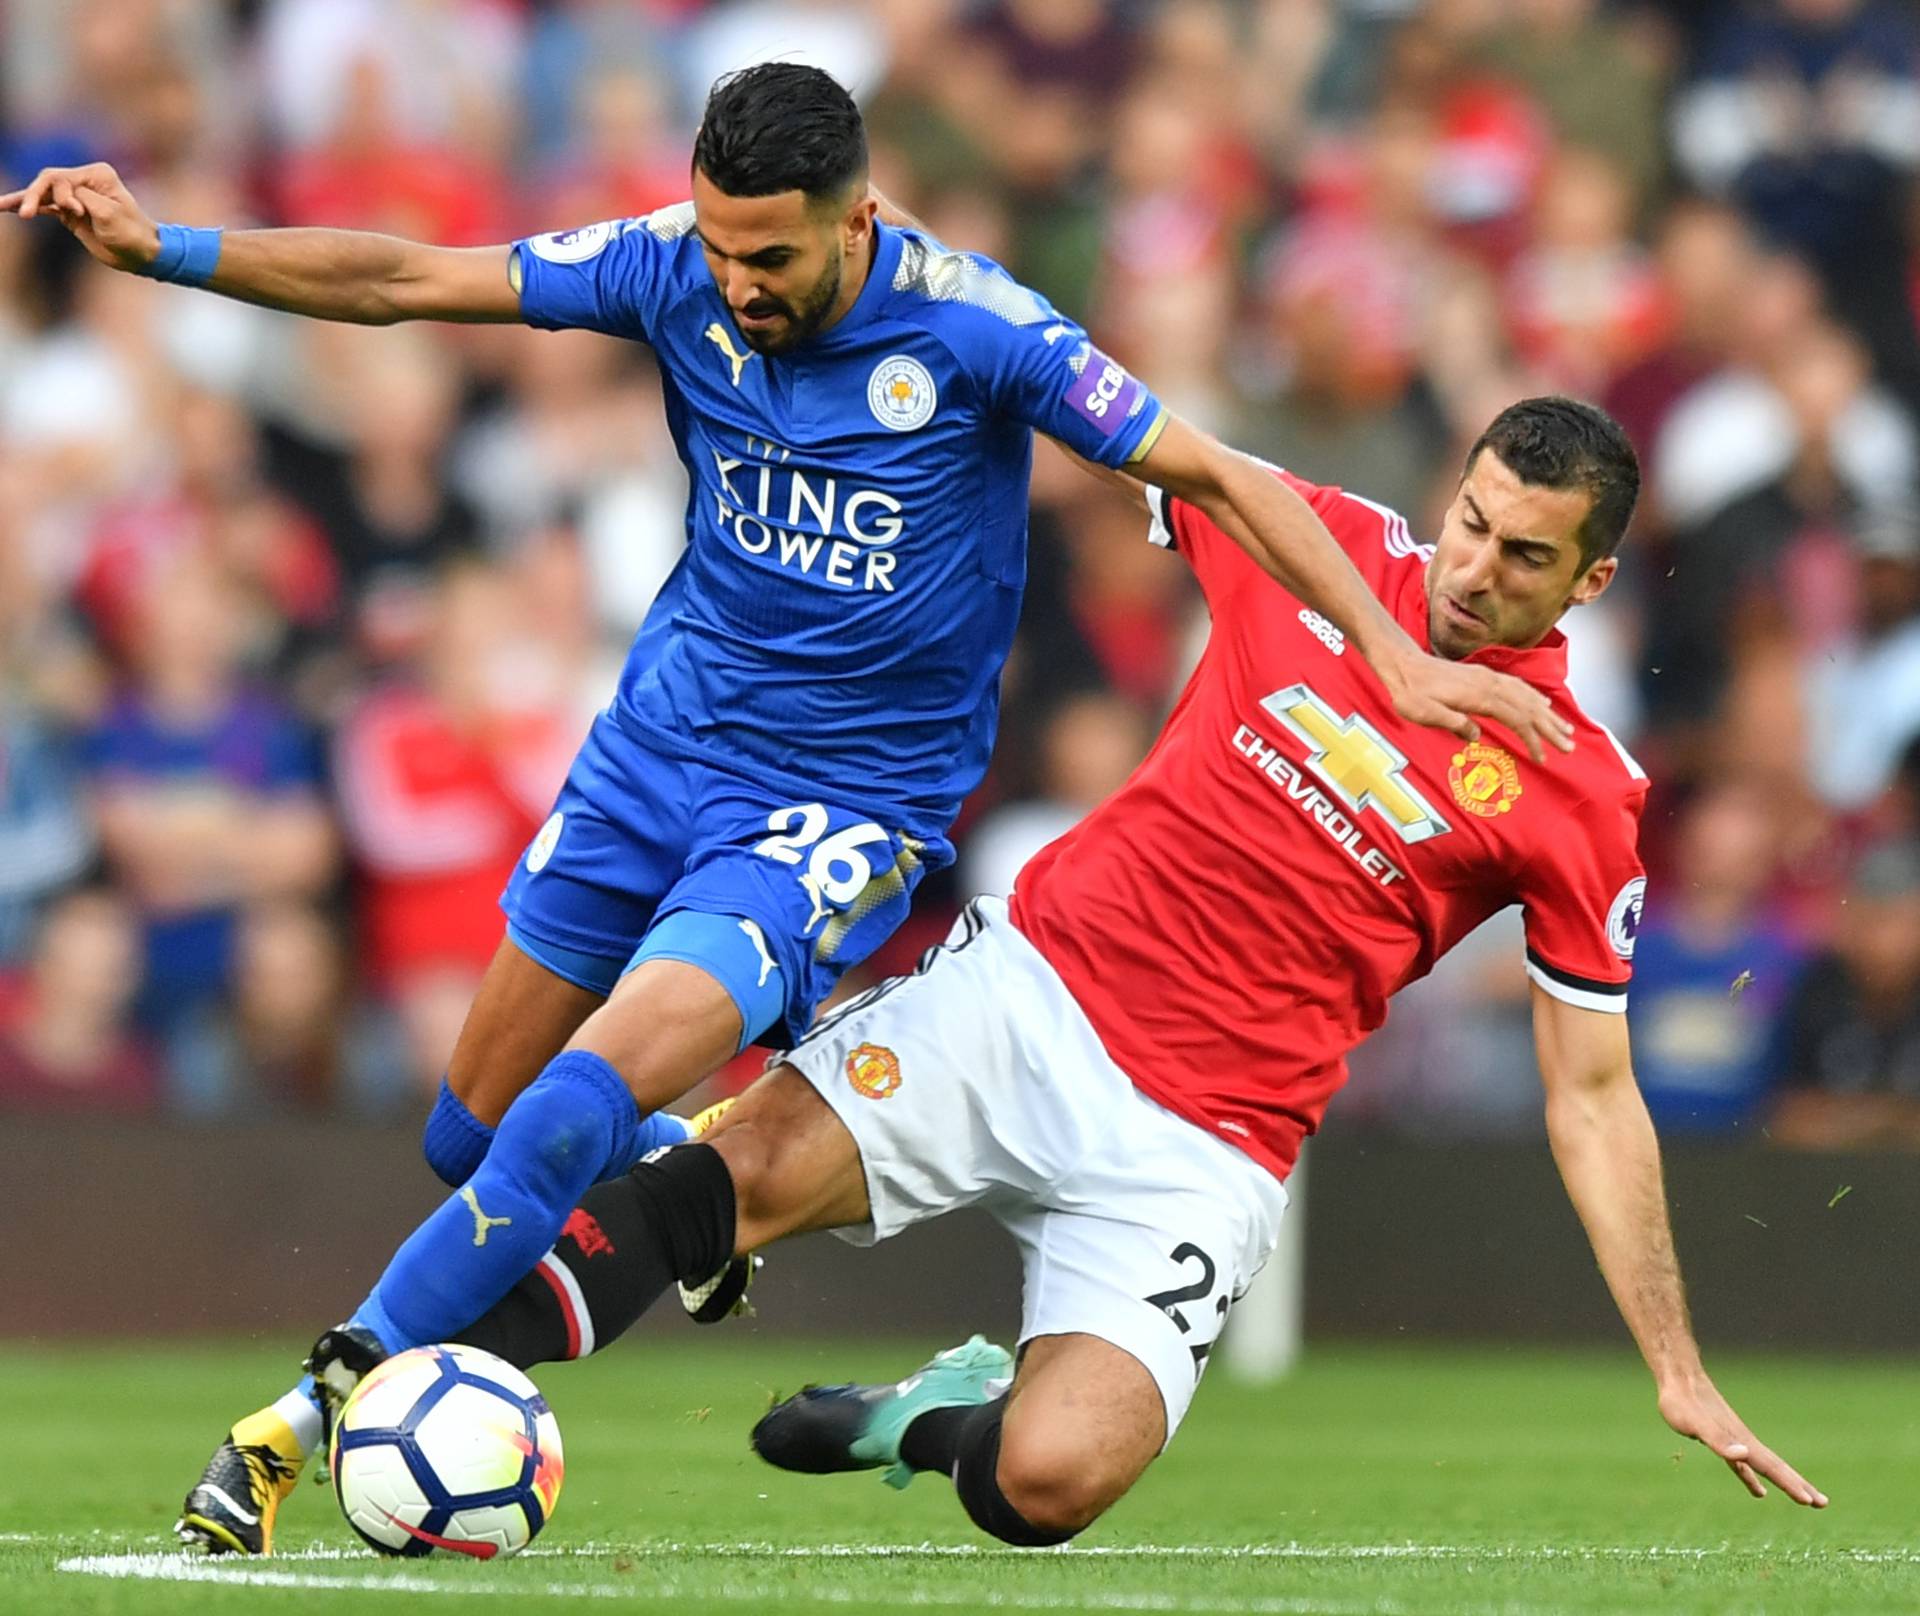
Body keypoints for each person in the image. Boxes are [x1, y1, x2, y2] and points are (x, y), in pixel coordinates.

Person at [3, 63, 1564, 1556]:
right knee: (472, 1130)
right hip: (654, 751)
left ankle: (307, 1411)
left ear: (857, 216)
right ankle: (687, 1148)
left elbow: (1218, 475)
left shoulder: (981, 331)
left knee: (565, 1116)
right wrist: (170, 250)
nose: (735, 281)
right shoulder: (672, 266)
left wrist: (1389, 656)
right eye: (718, 243)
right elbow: (413, 278)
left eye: (769, 255)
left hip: (835, 811)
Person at [336, 398, 1826, 1555]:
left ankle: (928, 1423)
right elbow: (1117, 444)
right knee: (726, 1188)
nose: (1472, 574)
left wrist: (1677, 1367)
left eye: (1524, 558)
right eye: (1470, 524)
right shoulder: (1308, 538)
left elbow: (1591, 1095)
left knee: (1047, 1487)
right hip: (1033, 995)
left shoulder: (1580, 793)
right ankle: (353, 1394)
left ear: (1592, 577)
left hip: (1209, 1142)